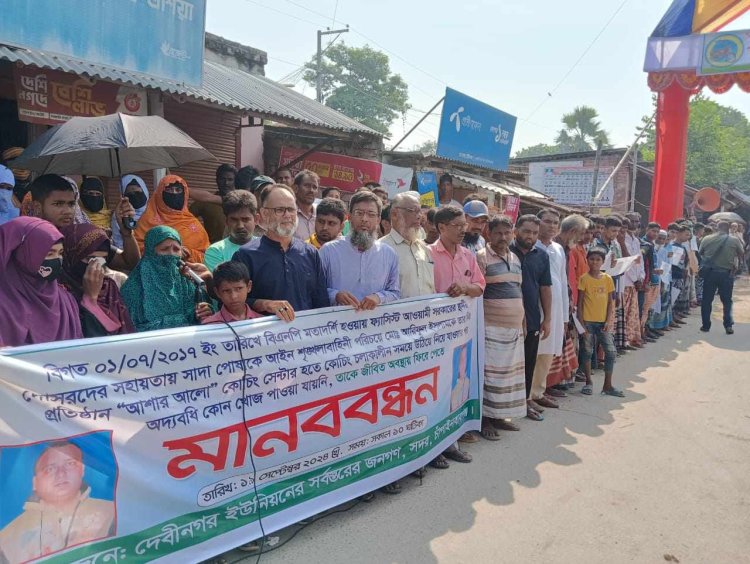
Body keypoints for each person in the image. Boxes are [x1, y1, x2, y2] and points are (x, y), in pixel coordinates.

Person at [429, 205, 485, 464]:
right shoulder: (428, 254)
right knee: (434, 391)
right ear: (441, 227)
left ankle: (452, 442)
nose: (463, 230)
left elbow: (480, 287)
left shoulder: (467, 256)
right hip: (435, 337)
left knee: (456, 388)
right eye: (457, 225)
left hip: (461, 335)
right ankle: (434, 448)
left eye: (464, 224)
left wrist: (465, 287)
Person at [0, 441, 115, 563]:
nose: (61, 474)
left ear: (82, 471)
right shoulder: (7, 538)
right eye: (50, 469)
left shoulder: (112, 514)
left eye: (70, 464)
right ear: (35, 483)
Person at [232, 184, 328, 320]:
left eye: (291, 209)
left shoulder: (311, 253)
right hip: (264, 337)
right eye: (280, 210)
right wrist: (265, 304)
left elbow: (321, 302)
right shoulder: (245, 255)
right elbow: (232, 303)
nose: (287, 215)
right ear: (264, 213)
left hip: (306, 336)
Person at [476, 215, 527, 440]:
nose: (503, 237)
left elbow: (518, 290)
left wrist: (522, 321)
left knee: (508, 376)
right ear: (488, 233)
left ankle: (500, 417)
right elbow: (477, 293)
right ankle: (485, 420)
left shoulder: (515, 258)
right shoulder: (481, 258)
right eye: (498, 233)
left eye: (507, 233)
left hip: (513, 328)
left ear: (512, 234)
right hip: (490, 327)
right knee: (490, 375)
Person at [0, 217, 82, 347]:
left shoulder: (65, 300)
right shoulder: (4, 304)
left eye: (60, 253)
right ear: (21, 253)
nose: (57, 260)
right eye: (49, 254)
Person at [121, 226, 212, 332]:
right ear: (151, 252)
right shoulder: (133, 287)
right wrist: (181, 320)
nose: (171, 254)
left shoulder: (187, 282)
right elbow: (129, 330)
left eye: (176, 249)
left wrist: (207, 311)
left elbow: (209, 316)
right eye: (164, 249)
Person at [320, 191, 400, 309]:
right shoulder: (329, 251)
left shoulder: (389, 254)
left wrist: (379, 297)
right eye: (359, 213)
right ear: (349, 217)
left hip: (374, 324)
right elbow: (314, 290)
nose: (364, 219)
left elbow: (395, 293)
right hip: (336, 324)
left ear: (378, 220)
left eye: (371, 214)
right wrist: (335, 295)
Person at [509, 214, 552, 422]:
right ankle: (503, 406)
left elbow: (545, 288)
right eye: (526, 231)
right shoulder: (505, 251)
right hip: (507, 319)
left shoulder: (542, 256)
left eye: (534, 233)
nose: (530, 236)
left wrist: (548, 318)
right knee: (505, 364)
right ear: (516, 230)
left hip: (533, 318)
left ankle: (525, 401)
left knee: (528, 362)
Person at [60, 224, 135, 337]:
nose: (96, 266)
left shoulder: (108, 287)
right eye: (90, 259)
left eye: (102, 260)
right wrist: (90, 298)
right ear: (71, 256)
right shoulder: (60, 292)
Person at [530, 209, 568, 409]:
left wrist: (565, 314)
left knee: (548, 352)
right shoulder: (531, 246)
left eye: (555, 222)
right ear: (539, 223)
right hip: (536, 306)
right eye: (547, 221)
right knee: (534, 351)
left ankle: (538, 391)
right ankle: (527, 395)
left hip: (556, 307)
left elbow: (562, 280)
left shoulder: (558, 249)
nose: (552, 225)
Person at [133, 175, 210, 263]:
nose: (174, 194)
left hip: (187, 274)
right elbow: (136, 251)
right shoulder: (147, 221)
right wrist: (164, 251)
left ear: (184, 194)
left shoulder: (193, 224)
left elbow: (207, 257)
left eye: (178, 190)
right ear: (160, 194)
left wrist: (189, 253)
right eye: (169, 190)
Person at [578, 249, 622, 397]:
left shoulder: (608, 279)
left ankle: (607, 385)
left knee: (610, 352)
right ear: (587, 260)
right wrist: (581, 324)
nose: (595, 262)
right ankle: (588, 382)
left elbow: (611, 302)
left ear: (603, 262)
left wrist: (609, 320)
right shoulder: (584, 279)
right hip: (588, 321)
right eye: (592, 259)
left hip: (603, 322)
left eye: (598, 259)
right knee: (587, 352)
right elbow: (580, 302)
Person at [381, 192, 435, 298]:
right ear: (395, 214)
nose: (419, 216)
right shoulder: (381, 249)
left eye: (420, 212)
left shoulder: (424, 248)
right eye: (413, 211)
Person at [201, 261, 286, 324]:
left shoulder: (264, 322)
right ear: (217, 292)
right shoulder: (210, 325)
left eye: (239, 288)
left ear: (249, 286)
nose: (234, 296)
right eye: (226, 291)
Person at [699, 220, 744, 334]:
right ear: (729, 228)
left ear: (717, 228)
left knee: (707, 300)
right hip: (726, 274)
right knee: (727, 301)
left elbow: (701, 253)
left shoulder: (706, 239)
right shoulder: (734, 240)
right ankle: (728, 325)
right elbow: (741, 253)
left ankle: (705, 325)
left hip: (709, 273)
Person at [204, 190, 258, 272]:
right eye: (234, 220)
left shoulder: (266, 248)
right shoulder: (216, 251)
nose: (240, 226)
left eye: (245, 219)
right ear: (226, 221)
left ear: (256, 220)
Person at [189, 164, 238, 243]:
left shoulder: (241, 203)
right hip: (213, 250)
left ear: (235, 181)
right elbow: (186, 219)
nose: (226, 183)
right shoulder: (205, 202)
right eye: (222, 179)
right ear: (217, 180)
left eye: (230, 179)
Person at [111, 174, 149, 249]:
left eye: (137, 191)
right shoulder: (119, 215)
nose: (134, 195)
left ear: (145, 191)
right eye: (129, 193)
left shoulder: (154, 210)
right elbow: (119, 244)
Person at [293, 170, 319, 241]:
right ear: (295, 188)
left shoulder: (321, 215)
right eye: (307, 186)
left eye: (314, 187)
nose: (311, 190)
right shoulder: (287, 213)